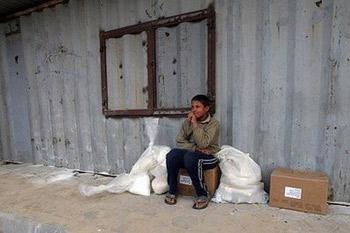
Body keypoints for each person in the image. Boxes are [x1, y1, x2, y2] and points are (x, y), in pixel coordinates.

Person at [164, 94, 220, 209]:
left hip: (209, 156)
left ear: (206, 109)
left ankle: (202, 195)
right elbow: (179, 141)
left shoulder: (213, 123)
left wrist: (195, 124)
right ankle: (172, 191)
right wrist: (194, 148)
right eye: (192, 107)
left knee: (191, 157)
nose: (194, 110)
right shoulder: (187, 122)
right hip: (192, 154)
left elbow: (204, 143)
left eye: (197, 107)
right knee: (172, 155)